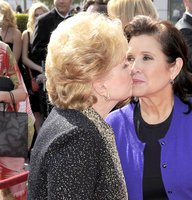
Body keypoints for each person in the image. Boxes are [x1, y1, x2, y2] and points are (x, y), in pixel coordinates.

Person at [106, 15, 192, 200]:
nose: (134, 67)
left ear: (174, 68)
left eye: (147, 57)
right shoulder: (113, 126)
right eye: (130, 58)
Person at [27, 13, 132, 199]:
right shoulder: (78, 136)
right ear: (100, 83)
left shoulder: (72, 119)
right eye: (124, 64)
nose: (133, 68)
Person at [30, 0, 72, 121]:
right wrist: (59, 52)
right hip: (53, 79)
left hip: (75, 77)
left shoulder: (77, 20)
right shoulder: (43, 20)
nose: (62, 1)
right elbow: (35, 50)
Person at [0, 41, 32, 200]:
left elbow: (22, 93)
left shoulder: (3, 50)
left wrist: (4, 96)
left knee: (13, 191)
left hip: (6, 126)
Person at [21, 2, 49, 134]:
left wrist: (47, 72)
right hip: (33, 76)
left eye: (42, 14)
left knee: (49, 110)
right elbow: (24, 58)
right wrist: (40, 69)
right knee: (36, 110)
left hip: (49, 74)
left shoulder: (52, 31)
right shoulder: (27, 34)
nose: (38, 17)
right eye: (36, 15)